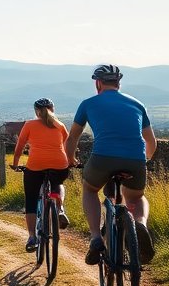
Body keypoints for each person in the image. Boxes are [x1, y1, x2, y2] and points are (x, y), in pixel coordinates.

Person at [65, 64, 158, 265]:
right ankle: (140, 223)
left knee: (90, 190)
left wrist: (71, 159)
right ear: (119, 83)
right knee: (136, 196)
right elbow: (151, 142)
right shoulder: (137, 104)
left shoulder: (88, 104)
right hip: (135, 160)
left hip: (102, 159)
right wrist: (144, 160)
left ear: (98, 83)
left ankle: (96, 238)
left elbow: (72, 137)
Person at [11, 98, 71, 252]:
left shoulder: (30, 124)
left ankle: (32, 237)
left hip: (36, 165)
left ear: (36, 111)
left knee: (31, 199)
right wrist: (72, 161)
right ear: (53, 109)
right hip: (59, 164)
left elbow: (20, 147)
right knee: (58, 184)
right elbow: (67, 146)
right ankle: (60, 208)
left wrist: (16, 163)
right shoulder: (61, 125)